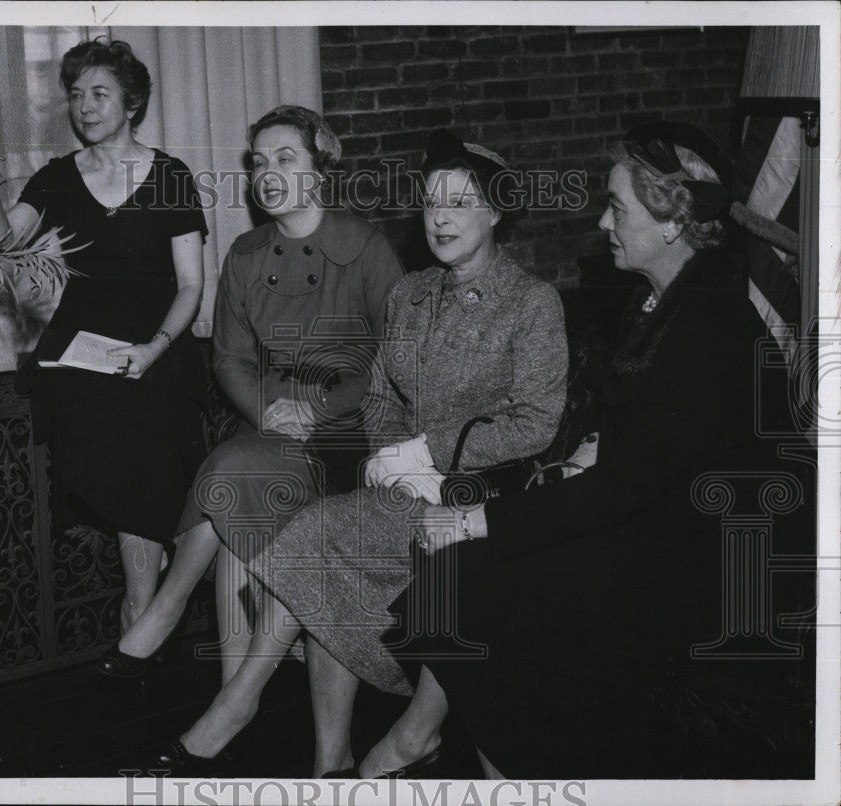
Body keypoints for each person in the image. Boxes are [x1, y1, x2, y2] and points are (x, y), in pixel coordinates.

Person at [347, 121, 815, 780]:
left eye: (617, 207)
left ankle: (445, 752)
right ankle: (442, 748)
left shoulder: (710, 325)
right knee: (463, 579)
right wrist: (593, 443)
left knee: (476, 581)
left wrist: (475, 518)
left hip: (718, 569)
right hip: (661, 526)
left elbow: (627, 485)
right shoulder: (669, 297)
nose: (602, 221)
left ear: (674, 221)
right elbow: (639, 434)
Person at [151, 128, 569, 776]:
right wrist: (390, 455)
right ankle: (323, 759)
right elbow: (377, 394)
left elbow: (536, 425)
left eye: (459, 202)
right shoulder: (410, 294)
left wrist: (430, 455)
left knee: (322, 537)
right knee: (315, 529)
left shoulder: (532, 303)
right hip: (403, 485)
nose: (441, 217)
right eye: (432, 202)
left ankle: (237, 709)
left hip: (479, 499)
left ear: (495, 212)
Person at [98, 105, 404, 683]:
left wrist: (318, 408)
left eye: (286, 158)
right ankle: (234, 693)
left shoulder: (368, 249)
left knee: (231, 469)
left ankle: (167, 612)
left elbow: (395, 357)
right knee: (235, 478)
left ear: (320, 169)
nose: (268, 172)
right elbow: (230, 358)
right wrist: (267, 410)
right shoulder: (244, 254)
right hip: (268, 424)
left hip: (350, 433)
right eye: (259, 161)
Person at [0, 38, 209, 633]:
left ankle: (140, 612)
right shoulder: (57, 178)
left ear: (132, 103)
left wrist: (153, 348)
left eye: (100, 93)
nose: (85, 106)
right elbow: (0, 252)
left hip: (160, 347)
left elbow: (191, 286)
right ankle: (145, 612)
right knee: (120, 452)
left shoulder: (170, 174)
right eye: (76, 95)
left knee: (145, 441)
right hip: (83, 352)